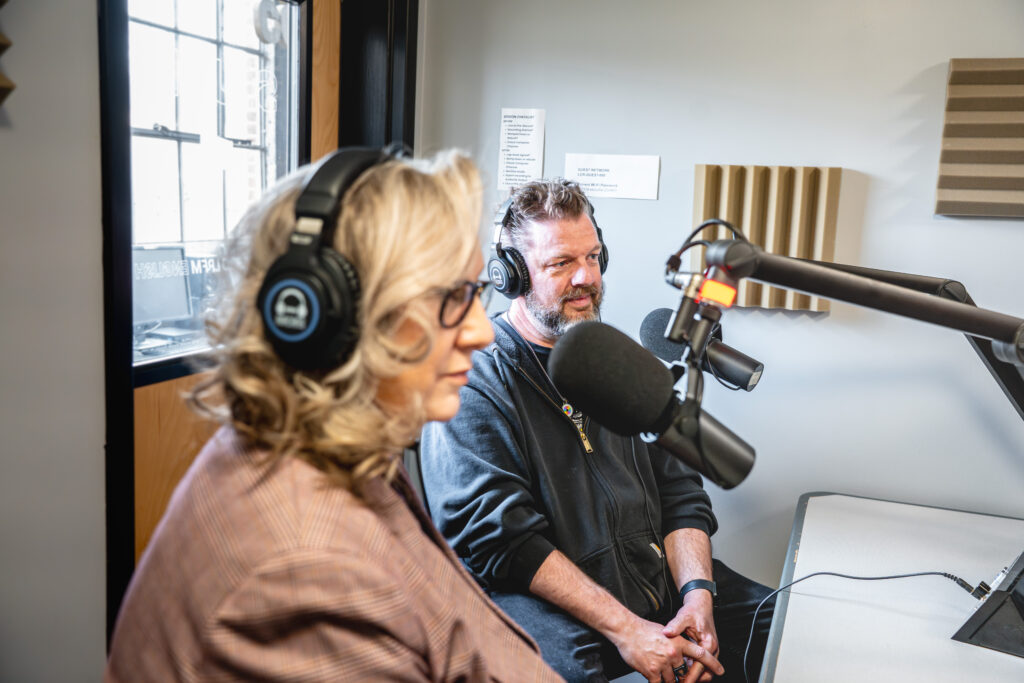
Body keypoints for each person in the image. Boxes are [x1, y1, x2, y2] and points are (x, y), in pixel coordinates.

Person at [106, 148, 561, 682]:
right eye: (453, 297)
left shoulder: (330, 455)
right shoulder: (303, 572)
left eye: (475, 292)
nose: (481, 330)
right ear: (337, 320)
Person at [419, 178, 774, 683]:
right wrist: (628, 630)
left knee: (777, 625)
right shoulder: (474, 379)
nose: (586, 277)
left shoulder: (607, 358)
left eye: (593, 256)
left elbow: (680, 487)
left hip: (653, 582)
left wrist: (698, 596)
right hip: (550, 605)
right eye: (561, 263)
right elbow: (501, 540)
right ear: (513, 275)